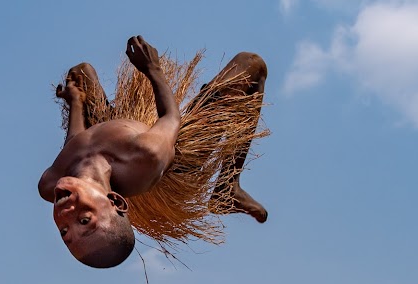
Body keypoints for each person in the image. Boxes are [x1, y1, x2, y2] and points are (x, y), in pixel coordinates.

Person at [39, 36, 269, 266]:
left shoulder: (50, 183)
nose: (65, 215)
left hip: (106, 138)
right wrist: (152, 68)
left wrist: (76, 103)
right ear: (115, 202)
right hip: (177, 161)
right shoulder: (145, 156)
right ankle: (228, 186)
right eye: (84, 220)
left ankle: (94, 106)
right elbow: (170, 117)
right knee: (251, 65)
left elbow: (75, 144)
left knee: (80, 73)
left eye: (64, 231)